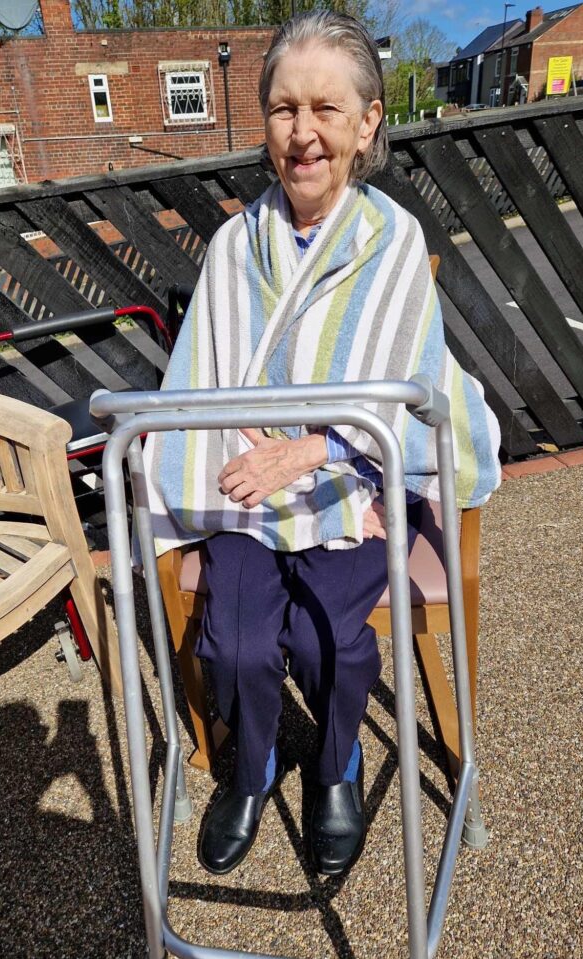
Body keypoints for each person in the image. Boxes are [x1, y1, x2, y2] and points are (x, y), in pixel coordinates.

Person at [143, 11, 501, 877]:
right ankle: (254, 764)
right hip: (248, 482)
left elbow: (409, 384)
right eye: (283, 109)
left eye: (326, 110)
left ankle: (336, 764)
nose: (302, 133)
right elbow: (202, 377)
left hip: (354, 483)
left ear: (367, 123)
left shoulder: (394, 240)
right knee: (234, 642)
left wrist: (318, 453)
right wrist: (227, 465)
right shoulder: (234, 246)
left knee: (327, 642)